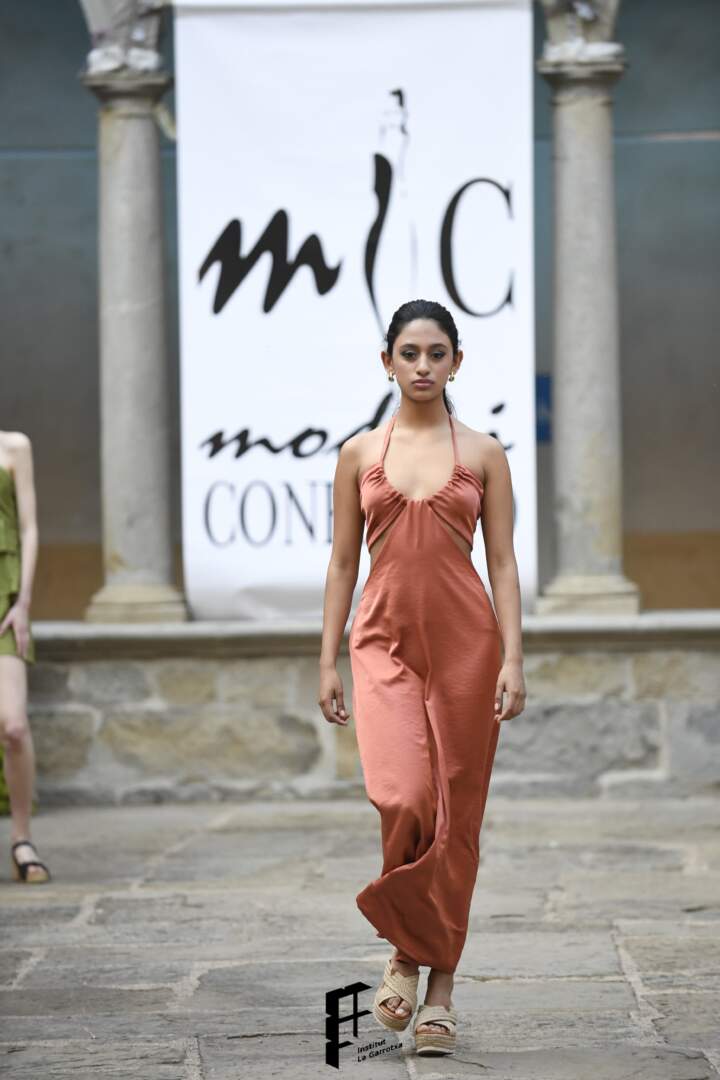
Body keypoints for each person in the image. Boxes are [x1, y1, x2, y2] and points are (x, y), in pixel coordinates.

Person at [318, 299, 525, 1056]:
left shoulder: (485, 454)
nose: (423, 366)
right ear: (387, 362)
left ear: (456, 363)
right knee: (404, 797)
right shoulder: (357, 454)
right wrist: (327, 658)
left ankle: (436, 986)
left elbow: (502, 562)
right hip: (382, 643)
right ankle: (407, 945)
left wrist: (514, 656)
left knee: (456, 816)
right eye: (409, 353)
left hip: (467, 646)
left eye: (438, 353)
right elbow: (343, 561)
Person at [0, 430, 51, 884]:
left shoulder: (14, 446)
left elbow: (30, 527)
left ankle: (21, 837)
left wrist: (24, 602)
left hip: (5, 596)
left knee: (13, 725)